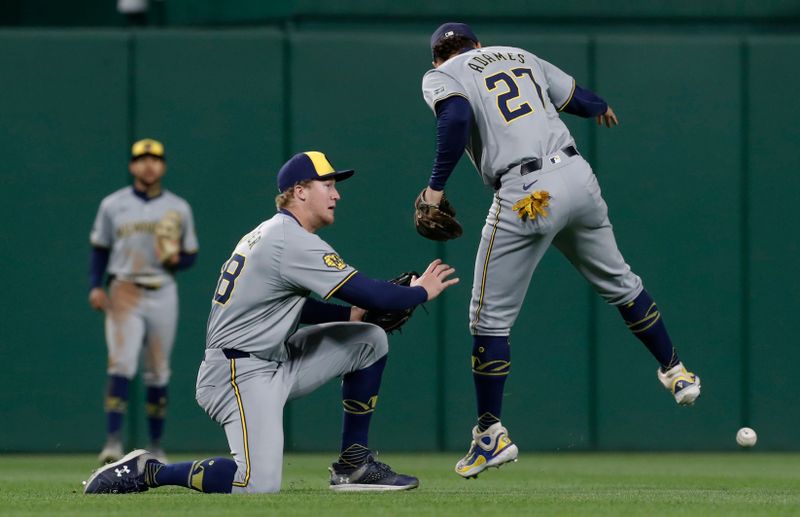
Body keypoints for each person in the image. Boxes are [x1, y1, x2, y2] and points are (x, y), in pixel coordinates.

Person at [83, 151, 459, 494]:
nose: (336, 194)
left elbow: (290, 307)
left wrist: (350, 316)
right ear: (299, 191)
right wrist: (421, 291)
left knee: (369, 339)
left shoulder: (273, 234)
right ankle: (150, 471)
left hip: (274, 358)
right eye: (326, 185)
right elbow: (372, 295)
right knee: (255, 484)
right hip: (237, 372)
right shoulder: (287, 240)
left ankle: (354, 466)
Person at [418, 22, 702, 479]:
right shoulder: (516, 53)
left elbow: (454, 119)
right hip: (577, 178)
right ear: (479, 45)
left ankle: (490, 436)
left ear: (438, 56)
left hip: (527, 193)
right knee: (621, 283)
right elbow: (578, 99)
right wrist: (602, 107)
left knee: (487, 318)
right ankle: (676, 371)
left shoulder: (442, 74)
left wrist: (434, 188)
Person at [88, 138, 199, 464]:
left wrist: (175, 259)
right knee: (121, 364)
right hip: (124, 289)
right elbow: (99, 248)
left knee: (158, 372)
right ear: (132, 166)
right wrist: (96, 285)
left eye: (155, 159)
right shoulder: (112, 204)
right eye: (142, 159)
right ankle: (112, 442)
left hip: (163, 289)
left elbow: (191, 255)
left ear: (162, 166)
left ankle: (156, 446)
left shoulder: (179, 207)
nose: (148, 165)